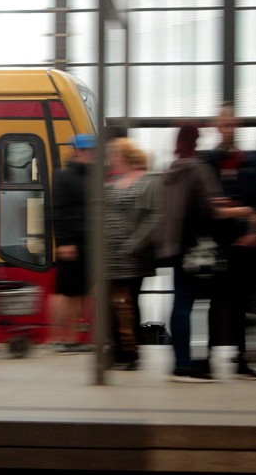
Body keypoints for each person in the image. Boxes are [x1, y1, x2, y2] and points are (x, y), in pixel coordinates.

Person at [158, 123, 253, 382]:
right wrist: (245, 211)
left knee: (180, 302)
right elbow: (212, 210)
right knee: (203, 302)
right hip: (197, 247)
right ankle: (189, 365)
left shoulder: (170, 170)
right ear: (196, 140)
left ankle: (180, 362)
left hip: (175, 244)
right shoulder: (198, 168)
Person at [201, 103, 256, 379]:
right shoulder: (207, 160)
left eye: (232, 124)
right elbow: (208, 206)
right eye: (224, 124)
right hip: (216, 243)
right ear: (216, 126)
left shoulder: (250, 160)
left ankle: (240, 358)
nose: (228, 128)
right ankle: (211, 355)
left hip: (244, 245)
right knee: (215, 302)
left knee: (241, 302)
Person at [103, 138, 162, 370]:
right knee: (110, 303)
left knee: (127, 302)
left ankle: (131, 350)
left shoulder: (147, 182)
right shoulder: (113, 182)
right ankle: (115, 347)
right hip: (110, 253)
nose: (111, 158)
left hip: (132, 253)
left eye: (114, 154)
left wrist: (135, 242)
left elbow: (154, 217)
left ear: (126, 155)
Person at [49, 133, 96, 354]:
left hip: (86, 241)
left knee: (78, 292)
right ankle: (60, 338)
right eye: (91, 151)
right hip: (72, 241)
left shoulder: (87, 176)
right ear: (80, 151)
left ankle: (74, 337)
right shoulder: (64, 177)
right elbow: (57, 211)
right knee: (66, 292)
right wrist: (64, 241)